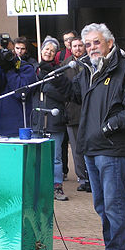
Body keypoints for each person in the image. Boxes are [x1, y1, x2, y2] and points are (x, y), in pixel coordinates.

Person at [52, 23, 125, 250]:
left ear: (109, 42)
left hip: (113, 149)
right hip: (91, 148)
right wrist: (55, 76)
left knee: (114, 206)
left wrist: (111, 125)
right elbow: (75, 96)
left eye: (96, 42)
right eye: (87, 44)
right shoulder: (87, 70)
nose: (91, 47)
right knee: (101, 206)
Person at [31, 36, 68, 201]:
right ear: (41, 50)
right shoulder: (33, 69)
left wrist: (48, 87)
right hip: (38, 119)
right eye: (46, 49)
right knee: (36, 156)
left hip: (54, 120)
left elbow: (66, 94)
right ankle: (36, 186)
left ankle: (56, 186)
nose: (49, 52)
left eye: (52, 50)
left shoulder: (60, 71)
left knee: (56, 157)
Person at [0, 35, 36, 137]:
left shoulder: (26, 68)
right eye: (0, 52)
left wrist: (9, 70)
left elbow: (21, 92)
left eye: (8, 51)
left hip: (17, 130)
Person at [61, 36, 91, 192]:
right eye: (75, 46)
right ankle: (83, 178)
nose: (78, 48)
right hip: (72, 112)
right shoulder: (65, 66)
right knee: (77, 148)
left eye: (81, 45)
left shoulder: (91, 63)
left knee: (89, 146)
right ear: (70, 48)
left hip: (89, 112)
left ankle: (92, 176)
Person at [55, 29, 77, 181]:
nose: (68, 43)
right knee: (62, 143)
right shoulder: (61, 57)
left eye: (70, 39)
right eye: (65, 40)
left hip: (76, 108)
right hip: (64, 108)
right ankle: (63, 171)